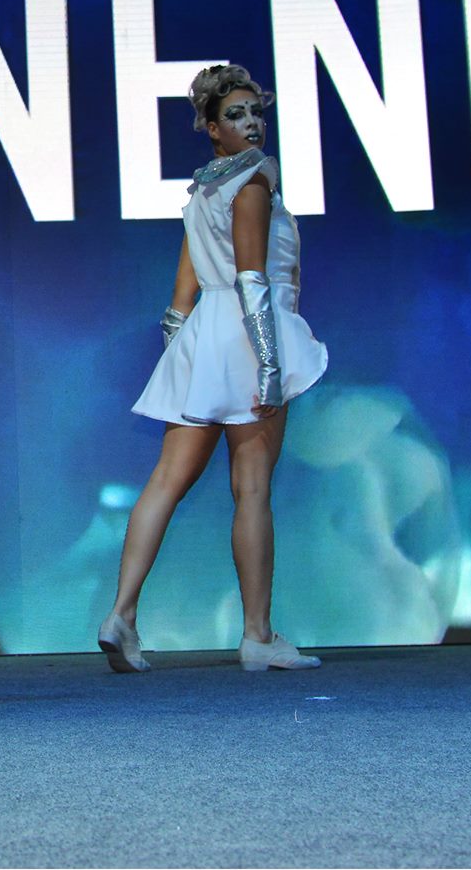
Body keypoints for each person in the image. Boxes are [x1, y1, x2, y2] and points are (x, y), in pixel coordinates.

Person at [99, 64, 328, 673]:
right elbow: (252, 279)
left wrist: (185, 362)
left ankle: (121, 614)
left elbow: (180, 302)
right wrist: (270, 367)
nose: (251, 123)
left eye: (256, 112)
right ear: (210, 127)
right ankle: (258, 636)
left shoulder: (202, 192)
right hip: (250, 336)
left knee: (165, 481)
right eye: (235, 114)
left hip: (206, 338)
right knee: (251, 488)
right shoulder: (253, 179)